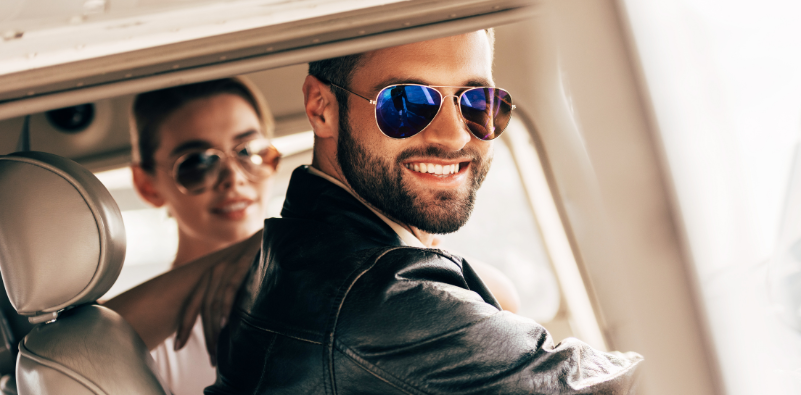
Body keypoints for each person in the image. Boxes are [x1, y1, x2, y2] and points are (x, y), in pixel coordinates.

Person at [206, 30, 643, 394]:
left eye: (476, 101)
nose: (454, 137)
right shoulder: (379, 298)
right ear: (322, 108)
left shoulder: (291, 252)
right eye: (406, 102)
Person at [105, 77, 281, 395]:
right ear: (147, 185)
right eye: (197, 163)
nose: (233, 178)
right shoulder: (137, 340)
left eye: (248, 151)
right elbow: (78, 351)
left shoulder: (325, 282)